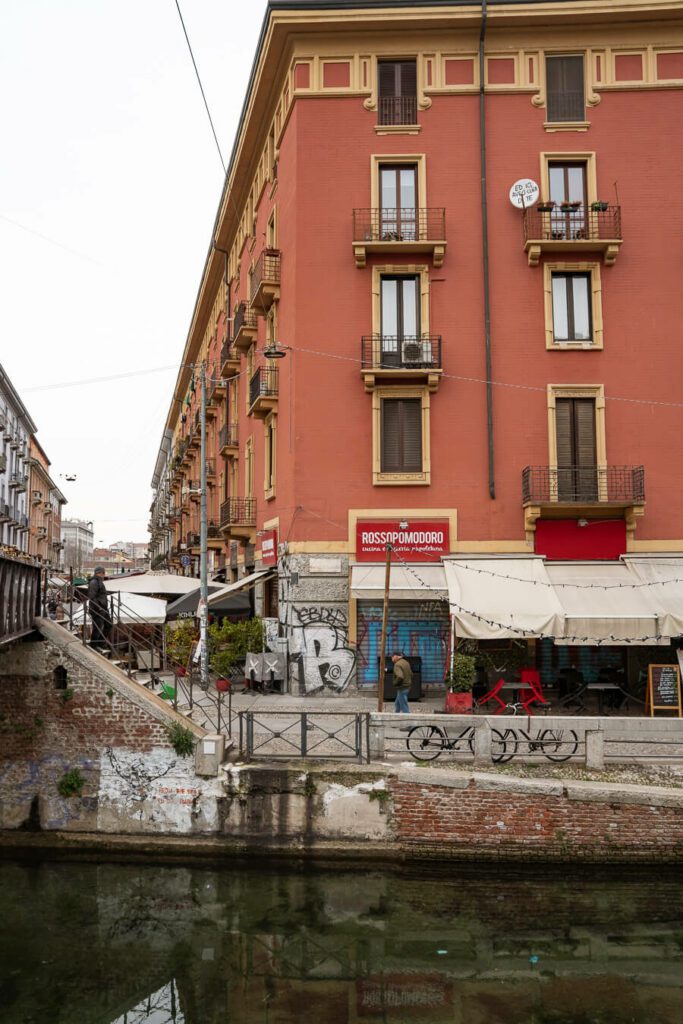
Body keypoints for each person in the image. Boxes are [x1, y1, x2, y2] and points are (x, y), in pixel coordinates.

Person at [87, 566, 112, 650]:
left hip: (103, 607)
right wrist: (98, 607)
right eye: (104, 573)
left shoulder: (99, 581)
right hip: (97, 608)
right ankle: (93, 645)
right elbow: (92, 596)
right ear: (100, 573)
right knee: (97, 627)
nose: (104, 575)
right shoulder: (94, 582)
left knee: (109, 624)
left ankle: (100, 642)